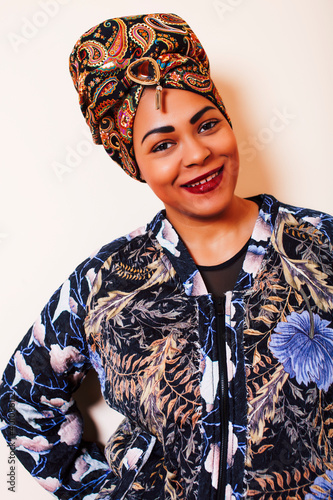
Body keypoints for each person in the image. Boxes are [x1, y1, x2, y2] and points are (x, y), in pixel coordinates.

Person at [0, 12, 332, 500]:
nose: (197, 154)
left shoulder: (321, 244)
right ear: (134, 162)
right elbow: (21, 400)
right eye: (164, 144)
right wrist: (106, 492)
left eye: (208, 124)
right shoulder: (103, 283)